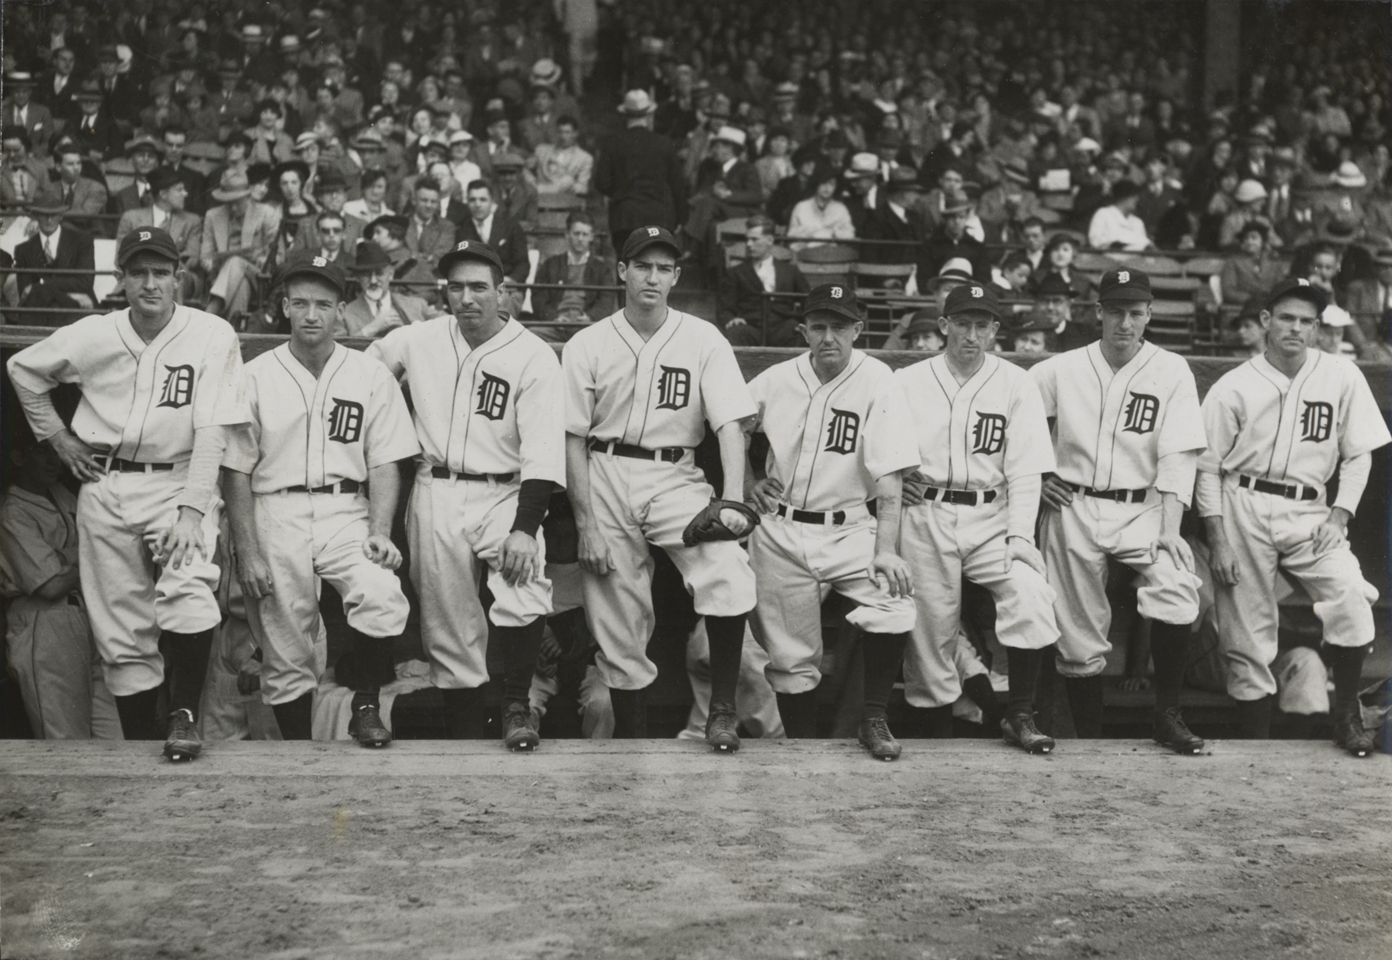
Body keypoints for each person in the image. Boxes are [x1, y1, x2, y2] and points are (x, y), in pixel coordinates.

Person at [7, 227, 251, 761]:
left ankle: (184, 717)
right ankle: (141, 751)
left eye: (160, 272)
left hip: (178, 478)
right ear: (120, 280)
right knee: (121, 631)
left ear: (178, 278)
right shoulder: (94, 333)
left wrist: (192, 509)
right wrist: (58, 437)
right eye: (138, 272)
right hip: (108, 481)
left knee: (188, 590)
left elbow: (214, 430)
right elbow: (22, 369)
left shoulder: (212, 334)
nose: (149, 283)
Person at [561, 226, 757, 749]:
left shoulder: (703, 337)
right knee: (617, 615)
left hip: (676, 475)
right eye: (642, 265)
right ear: (622, 271)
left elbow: (729, 425)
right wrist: (585, 526)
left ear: (676, 276)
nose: (653, 276)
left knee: (727, 567)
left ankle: (721, 712)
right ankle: (633, 741)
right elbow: (572, 439)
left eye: (664, 268)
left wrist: (732, 500)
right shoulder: (588, 343)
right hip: (604, 469)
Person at [368, 240, 565, 751]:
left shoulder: (534, 355)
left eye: (479, 287)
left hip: (505, 491)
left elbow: (543, 453)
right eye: (456, 287)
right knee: (446, 623)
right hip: (435, 486)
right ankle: (463, 740)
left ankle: (518, 707)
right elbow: (365, 373)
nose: (467, 297)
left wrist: (525, 528)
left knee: (524, 586)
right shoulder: (418, 339)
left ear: (504, 293)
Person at [223, 255, 419, 746]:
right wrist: (246, 549)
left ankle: (367, 705)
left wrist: (379, 529)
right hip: (275, 508)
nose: (312, 314)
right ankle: (298, 754)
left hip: (344, 508)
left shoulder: (368, 375)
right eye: (302, 303)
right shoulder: (255, 374)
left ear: (340, 312)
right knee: (285, 646)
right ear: (285, 306)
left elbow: (384, 461)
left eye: (324, 305)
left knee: (379, 592)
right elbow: (236, 469)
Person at [1196, 278, 1391, 756]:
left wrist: (1340, 515)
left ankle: (1346, 718)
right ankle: (1254, 751)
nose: (1296, 328)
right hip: (1242, 500)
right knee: (1247, 632)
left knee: (1349, 595)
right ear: (1266, 321)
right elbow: (1206, 468)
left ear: (1317, 328)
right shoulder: (1233, 385)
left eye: (1307, 321)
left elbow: (1359, 455)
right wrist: (1217, 538)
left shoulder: (1342, 376)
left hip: (1308, 507)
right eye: (1287, 317)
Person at [1029, 268, 1208, 753]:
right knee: (1078, 635)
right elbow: (1017, 424)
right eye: (1115, 311)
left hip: (1144, 507)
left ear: (1149, 315)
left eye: (1134, 313)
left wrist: (1172, 528)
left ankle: (1166, 715)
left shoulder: (1171, 370)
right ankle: (1090, 741)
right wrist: (1041, 474)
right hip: (1074, 505)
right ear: (1098, 313)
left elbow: (1179, 456)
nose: (1124, 323)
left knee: (1175, 586)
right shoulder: (1059, 369)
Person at [743, 283, 919, 759]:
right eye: (819, 327)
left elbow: (889, 476)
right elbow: (729, 421)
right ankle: (801, 750)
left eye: (840, 327)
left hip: (850, 527)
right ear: (803, 330)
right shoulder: (776, 379)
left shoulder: (879, 379)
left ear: (858, 330)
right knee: (788, 658)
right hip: (779, 526)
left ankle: (874, 718)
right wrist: (744, 480)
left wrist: (885, 549)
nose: (829, 337)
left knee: (894, 604)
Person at [895, 282, 1059, 751]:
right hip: (925, 509)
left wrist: (1020, 538)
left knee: (1030, 594)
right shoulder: (908, 381)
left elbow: (1026, 470)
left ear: (994, 331)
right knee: (929, 631)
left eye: (981, 325)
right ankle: (935, 738)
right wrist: (894, 478)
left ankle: (1020, 715)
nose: (971, 334)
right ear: (944, 326)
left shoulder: (1015, 382)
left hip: (991, 512)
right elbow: (883, 452)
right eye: (962, 323)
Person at [1, 428, 122, 740]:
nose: (53, 460)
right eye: (42, 451)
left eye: (56, 452)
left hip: (87, 615)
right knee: (66, 739)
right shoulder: (13, 511)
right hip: (45, 624)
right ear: (18, 457)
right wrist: (92, 553)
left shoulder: (61, 493)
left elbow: (99, 541)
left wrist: (67, 557)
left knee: (116, 735)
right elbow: (50, 586)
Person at [593, 90, 687, 252]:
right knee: (657, 268)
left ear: (625, 115)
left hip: (625, 218)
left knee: (626, 270)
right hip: (660, 217)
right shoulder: (664, 143)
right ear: (649, 114)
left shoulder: (612, 144)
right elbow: (678, 185)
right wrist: (681, 218)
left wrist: (621, 191)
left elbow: (602, 182)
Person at [718, 215, 811, 347]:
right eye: (747, 240)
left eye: (754, 239)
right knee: (735, 333)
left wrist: (807, 323)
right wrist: (731, 319)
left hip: (784, 326)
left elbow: (808, 301)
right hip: (751, 326)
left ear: (769, 240)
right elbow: (725, 307)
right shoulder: (736, 272)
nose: (749, 244)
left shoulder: (790, 271)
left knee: (802, 335)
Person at [201, 169, 281, 321]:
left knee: (236, 261)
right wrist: (210, 263)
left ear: (247, 196)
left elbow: (278, 256)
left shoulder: (267, 213)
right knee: (241, 282)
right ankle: (234, 330)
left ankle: (210, 313)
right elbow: (206, 254)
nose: (232, 208)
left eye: (236, 203)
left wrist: (260, 261)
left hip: (258, 277)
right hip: (221, 277)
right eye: (228, 203)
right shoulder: (213, 216)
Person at [117, 166, 204, 305]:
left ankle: (173, 322)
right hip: (141, 272)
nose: (185, 193)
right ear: (163, 194)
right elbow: (121, 255)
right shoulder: (131, 218)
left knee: (172, 274)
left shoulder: (192, 220)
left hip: (182, 277)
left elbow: (192, 258)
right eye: (179, 190)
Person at [13, 190, 97, 326]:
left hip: (75, 310)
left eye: (53, 214)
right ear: (35, 216)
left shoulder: (81, 241)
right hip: (41, 311)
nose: (49, 220)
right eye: (44, 214)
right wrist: (70, 294)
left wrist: (41, 285)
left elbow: (85, 282)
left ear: (61, 215)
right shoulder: (23, 250)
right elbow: (25, 291)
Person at [532, 211, 617, 328]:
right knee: (531, 335)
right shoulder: (551, 264)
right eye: (576, 233)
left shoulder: (602, 269)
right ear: (567, 234)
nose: (580, 238)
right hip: (556, 325)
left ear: (591, 237)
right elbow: (538, 298)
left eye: (585, 234)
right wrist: (553, 318)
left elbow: (606, 301)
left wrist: (590, 318)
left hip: (588, 328)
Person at [338, 241, 435, 337]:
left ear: (391, 274)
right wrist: (373, 328)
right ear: (358, 278)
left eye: (379, 273)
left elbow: (447, 323)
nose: (373, 281)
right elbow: (340, 347)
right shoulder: (345, 315)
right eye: (366, 274)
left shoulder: (417, 305)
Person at [456, 179, 530, 283]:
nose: (477, 204)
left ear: (492, 201)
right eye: (472, 200)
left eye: (483, 199)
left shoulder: (510, 227)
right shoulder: (461, 230)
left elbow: (522, 263)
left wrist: (511, 280)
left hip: (506, 286)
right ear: (467, 202)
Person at [1215, 222, 1286, 310]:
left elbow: (1281, 288)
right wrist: (1253, 300)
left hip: (1269, 307)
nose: (1249, 242)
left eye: (1254, 238)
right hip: (1241, 308)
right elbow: (1228, 291)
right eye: (1246, 238)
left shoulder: (1274, 262)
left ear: (1263, 241)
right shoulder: (1233, 262)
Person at [787, 163, 856, 245]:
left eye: (831, 184)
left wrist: (833, 233)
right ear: (816, 184)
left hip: (832, 254)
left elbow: (850, 234)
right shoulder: (801, 207)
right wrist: (811, 232)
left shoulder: (840, 209)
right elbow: (791, 235)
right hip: (806, 253)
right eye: (823, 183)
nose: (827, 188)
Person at [533, 115, 593, 197]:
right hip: (539, 198)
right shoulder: (541, 150)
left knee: (568, 180)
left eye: (567, 132)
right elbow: (525, 171)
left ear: (575, 134)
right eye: (560, 132)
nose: (562, 136)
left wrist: (568, 186)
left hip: (564, 200)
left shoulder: (585, 158)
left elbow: (583, 187)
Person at [404, 179, 457, 269]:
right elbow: (400, 256)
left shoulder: (446, 227)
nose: (429, 205)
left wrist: (414, 257)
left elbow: (441, 257)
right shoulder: (401, 224)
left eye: (433, 201)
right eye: (424, 200)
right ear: (414, 200)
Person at [1087, 180, 1151, 251]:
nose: (1137, 199)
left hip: (1134, 260)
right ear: (1123, 197)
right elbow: (1095, 242)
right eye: (1133, 196)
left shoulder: (1138, 222)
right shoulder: (1103, 214)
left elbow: (1144, 245)